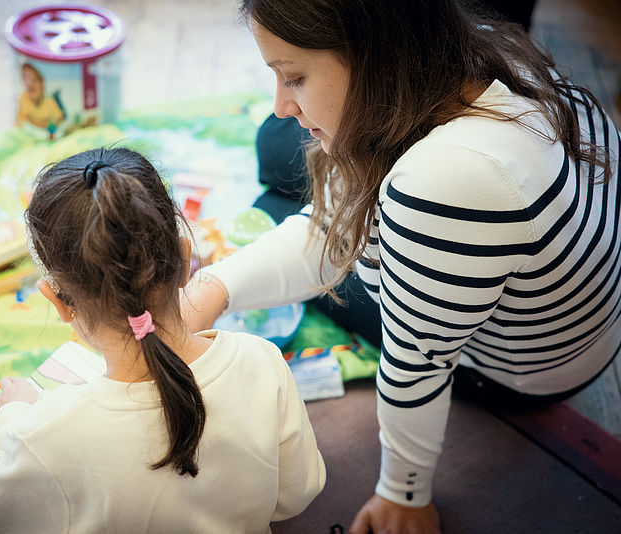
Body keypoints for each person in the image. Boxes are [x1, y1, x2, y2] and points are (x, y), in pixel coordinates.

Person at [181, 1, 621, 533]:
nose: (281, 102)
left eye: (293, 78)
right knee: (279, 144)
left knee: (276, 201)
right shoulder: (476, 45)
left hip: (522, 372)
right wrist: (213, 288)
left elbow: (417, 361)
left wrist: (403, 494)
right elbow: (332, 220)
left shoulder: (443, 186)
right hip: (564, 316)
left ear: (374, 57)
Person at [0, 147, 326, 533]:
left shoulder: (45, 437)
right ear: (185, 259)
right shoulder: (261, 360)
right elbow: (296, 494)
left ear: (58, 302)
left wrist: (13, 416)